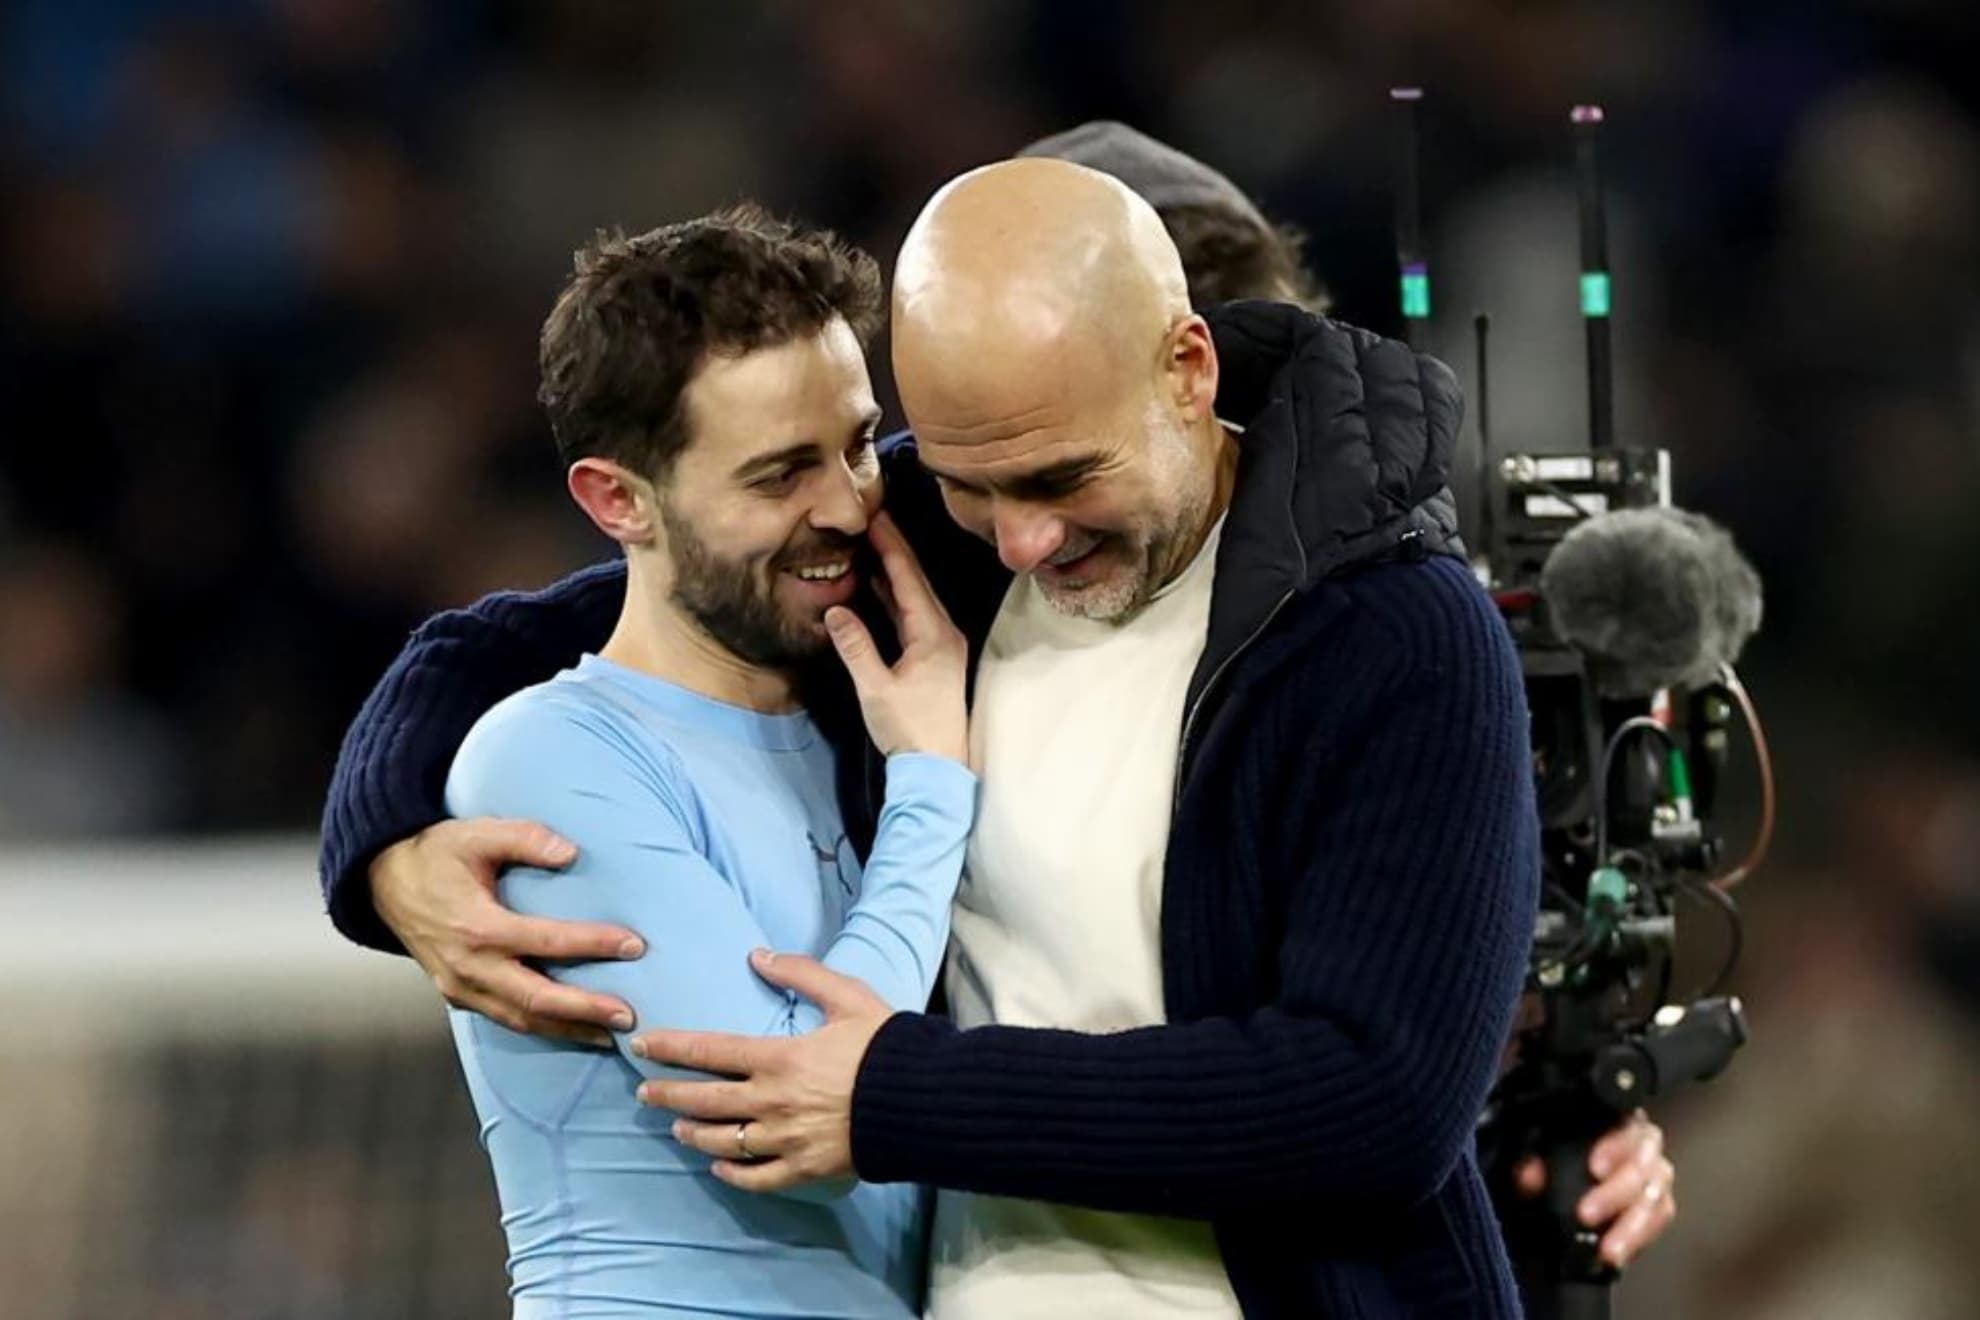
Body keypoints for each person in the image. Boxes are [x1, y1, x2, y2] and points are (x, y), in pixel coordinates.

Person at [320, 125, 1673, 1311]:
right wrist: (388, 855)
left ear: (1187, 367)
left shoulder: (1395, 635)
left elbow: (1373, 1102)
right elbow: (527, 635)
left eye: (1058, 476)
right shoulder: (926, 541)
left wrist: (896, 1096)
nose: (1023, 537)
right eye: (968, 480)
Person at [439, 206, 981, 1316]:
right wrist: (933, 780)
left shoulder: (854, 715)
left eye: (855, 444)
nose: (844, 503)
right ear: (616, 501)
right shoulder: (550, 757)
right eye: (780, 475)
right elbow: (793, 1107)